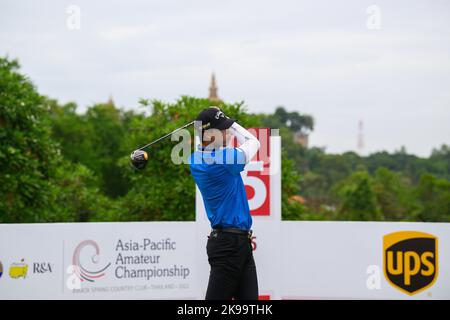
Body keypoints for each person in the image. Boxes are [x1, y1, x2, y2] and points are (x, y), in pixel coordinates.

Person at [189, 106, 261, 300]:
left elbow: (203, 146)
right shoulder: (223, 160)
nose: (228, 132)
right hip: (227, 245)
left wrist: (217, 121)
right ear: (209, 134)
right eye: (223, 129)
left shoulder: (195, 159)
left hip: (241, 243)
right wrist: (234, 123)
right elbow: (253, 142)